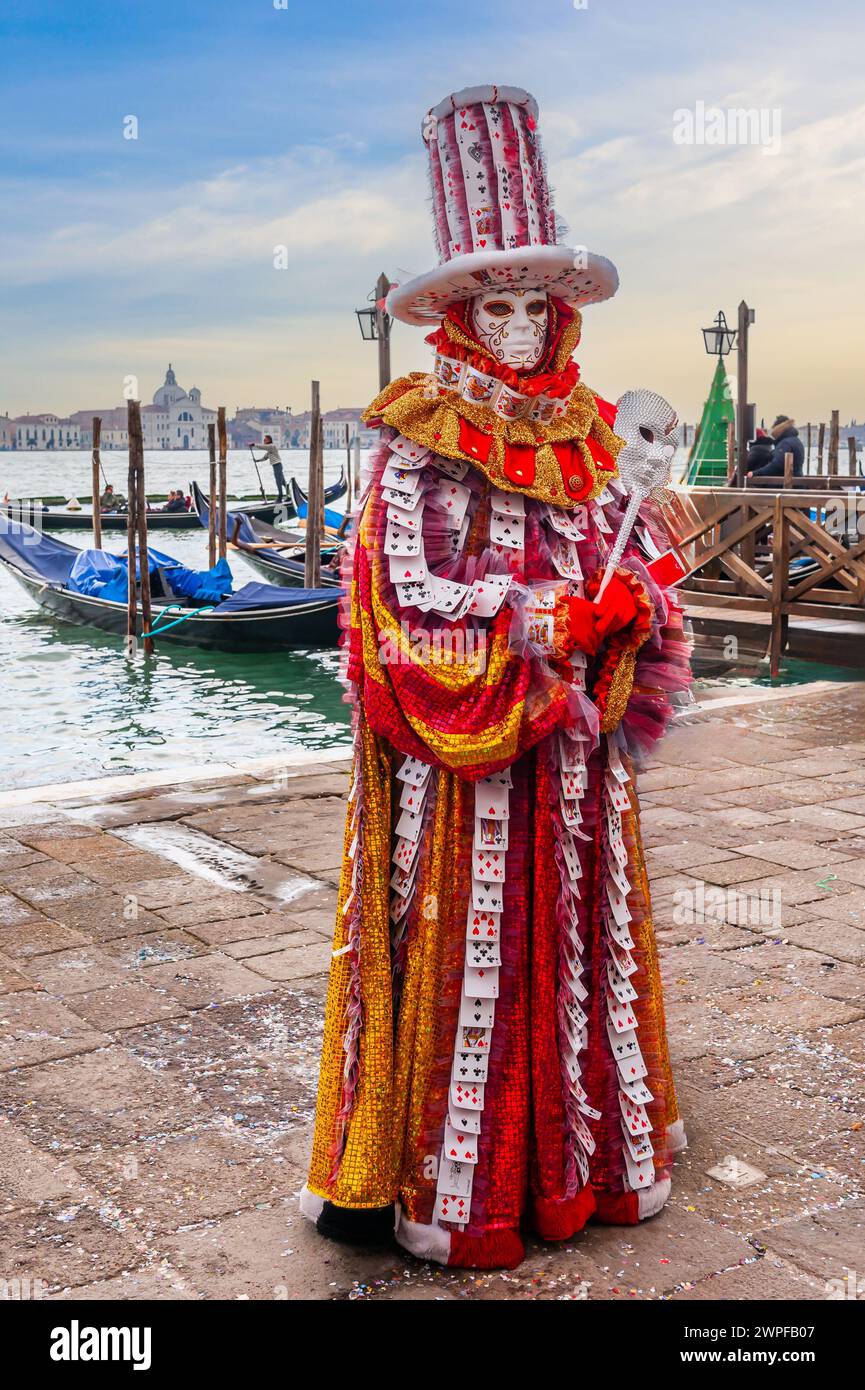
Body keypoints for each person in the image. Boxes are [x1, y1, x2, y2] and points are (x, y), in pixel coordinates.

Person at [299, 84, 691, 1271]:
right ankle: (453, 1186)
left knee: (574, 941)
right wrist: (539, 622)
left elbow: (638, 560)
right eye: (496, 303)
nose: (520, 325)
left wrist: (631, 607)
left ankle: (578, 1161)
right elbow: (396, 595)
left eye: (536, 303)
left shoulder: (591, 432)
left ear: (561, 313)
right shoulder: (416, 436)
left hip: (570, 766)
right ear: (459, 316)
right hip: (464, 775)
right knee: (471, 945)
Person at [250, 435, 287, 501]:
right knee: (283, 482)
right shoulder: (270, 450)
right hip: (276, 466)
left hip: (277, 465)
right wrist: (257, 461)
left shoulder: (272, 446)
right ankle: (289, 494)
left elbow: (263, 447)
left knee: (279, 481)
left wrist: (254, 444)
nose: (264, 441)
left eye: (265, 439)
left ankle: (280, 496)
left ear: (269, 440)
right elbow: (265, 457)